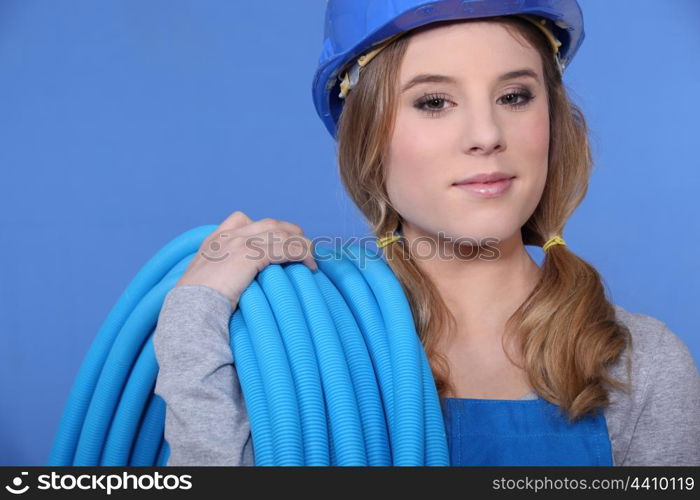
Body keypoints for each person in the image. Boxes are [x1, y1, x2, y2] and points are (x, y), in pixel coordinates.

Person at [153, 0, 700, 466]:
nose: (486, 135)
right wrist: (195, 314)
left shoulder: (638, 362)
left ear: (552, 121)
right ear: (366, 135)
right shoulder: (291, 354)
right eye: (433, 102)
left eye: (515, 96)